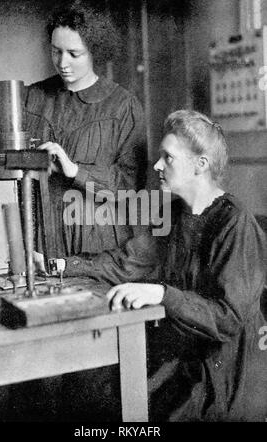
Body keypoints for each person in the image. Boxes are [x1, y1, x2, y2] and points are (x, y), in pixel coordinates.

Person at [58, 109, 267, 422]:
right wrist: (63, 264)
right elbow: (127, 262)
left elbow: (228, 319)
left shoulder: (234, 222)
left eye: (168, 157)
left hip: (224, 371)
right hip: (185, 356)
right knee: (99, 395)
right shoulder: (173, 213)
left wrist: (161, 294)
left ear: (201, 165)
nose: (157, 165)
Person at [0, 1, 147, 261]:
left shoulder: (122, 107)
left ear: (94, 51)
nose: (63, 63)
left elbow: (131, 186)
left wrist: (75, 171)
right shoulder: (31, 98)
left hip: (98, 249)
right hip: (42, 247)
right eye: (56, 51)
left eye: (74, 54)